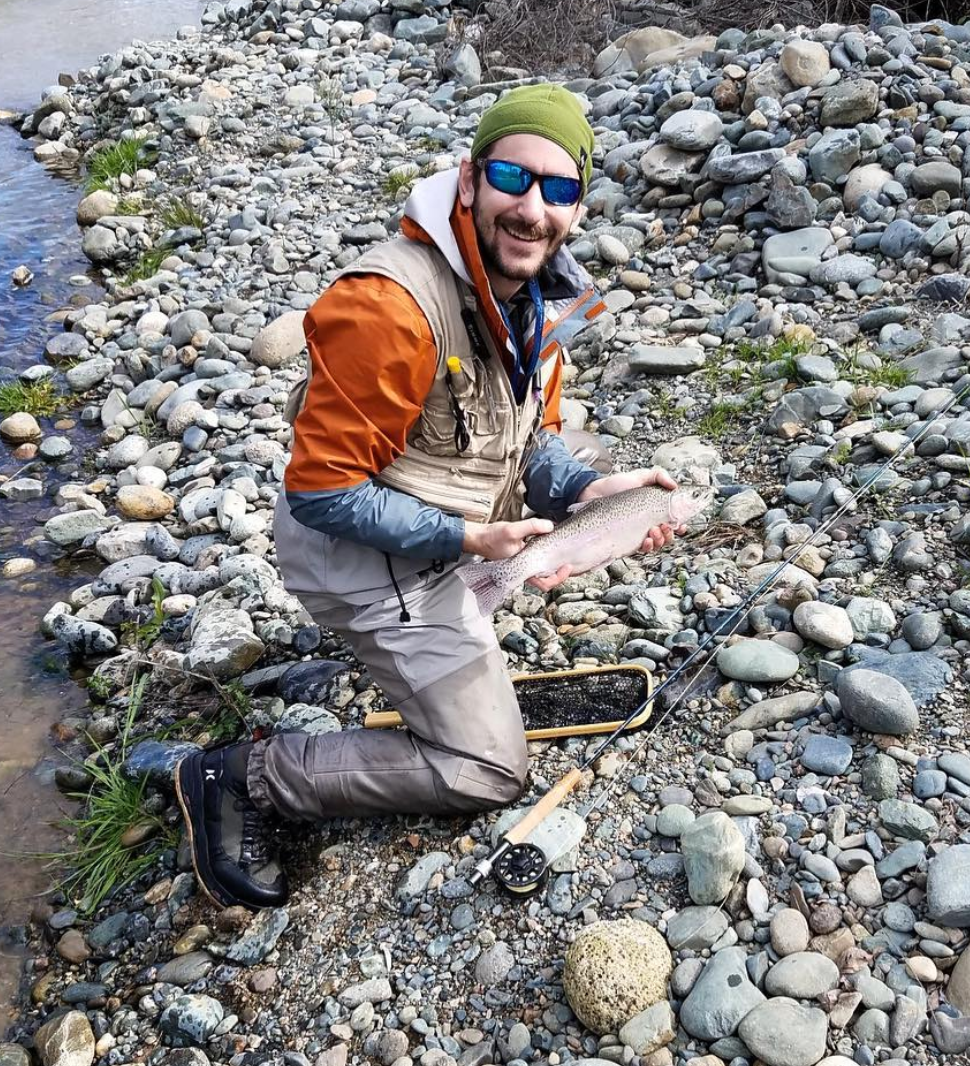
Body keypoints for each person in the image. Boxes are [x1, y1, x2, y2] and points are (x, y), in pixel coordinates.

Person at [174, 84, 686, 910]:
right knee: (488, 769)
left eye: (559, 191)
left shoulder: (549, 300)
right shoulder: (387, 307)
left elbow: (530, 440)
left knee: (574, 473)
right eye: (514, 179)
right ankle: (247, 778)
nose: (532, 209)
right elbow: (319, 490)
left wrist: (590, 489)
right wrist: (467, 544)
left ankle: (442, 646)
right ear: (471, 177)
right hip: (356, 558)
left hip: (451, 534)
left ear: (579, 210)